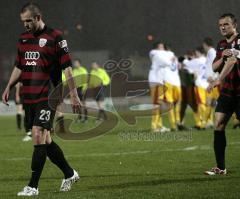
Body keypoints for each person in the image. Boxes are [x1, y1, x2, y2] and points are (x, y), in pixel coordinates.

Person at [1, 3, 81, 196]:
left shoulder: (56, 37)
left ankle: (33, 186)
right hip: (29, 94)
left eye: (29, 21)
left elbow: (67, 68)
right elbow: (19, 66)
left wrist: (74, 94)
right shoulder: (23, 39)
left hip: (49, 94)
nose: (26, 25)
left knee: (37, 133)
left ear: (38, 17)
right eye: (23, 21)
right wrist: (8, 87)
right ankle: (69, 174)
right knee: (45, 141)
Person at [205, 13, 240, 175]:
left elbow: (232, 61)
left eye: (226, 24)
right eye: (220, 25)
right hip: (228, 91)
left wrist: (218, 79)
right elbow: (215, 66)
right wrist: (223, 55)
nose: (223, 27)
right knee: (218, 124)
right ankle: (220, 167)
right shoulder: (220, 45)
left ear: (235, 25)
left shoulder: (239, 41)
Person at [148, 41, 170, 133]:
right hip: (155, 82)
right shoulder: (155, 54)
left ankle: (159, 126)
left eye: (163, 47)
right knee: (156, 104)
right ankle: (154, 127)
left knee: (159, 104)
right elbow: (168, 62)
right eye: (161, 47)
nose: (163, 49)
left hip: (159, 81)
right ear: (156, 48)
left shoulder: (160, 56)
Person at [163, 46, 181, 131]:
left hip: (168, 82)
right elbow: (179, 67)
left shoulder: (163, 57)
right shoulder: (175, 57)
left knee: (169, 105)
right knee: (177, 103)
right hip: (176, 82)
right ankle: (178, 121)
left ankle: (173, 125)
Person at [202, 37, 219, 129]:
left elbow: (215, 64)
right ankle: (209, 122)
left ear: (205, 44)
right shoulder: (211, 52)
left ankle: (204, 123)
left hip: (213, 81)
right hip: (212, 80)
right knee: (212, 103)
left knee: (210, 102)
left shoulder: (212, 52)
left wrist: (212, 77)